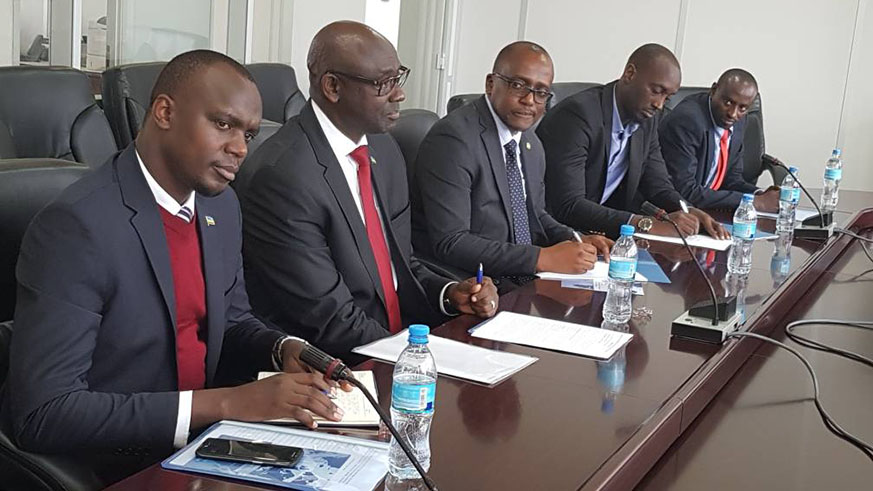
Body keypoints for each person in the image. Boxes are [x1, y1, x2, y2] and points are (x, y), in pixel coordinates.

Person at [2, 50, 346, 485]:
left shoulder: (219, 206)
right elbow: (45, 413)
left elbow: (232, 320)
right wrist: (226, 404)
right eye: (223, 124)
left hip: (207, 445)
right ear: (164, 112)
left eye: (249, 133)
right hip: (121, 462)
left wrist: (282, 349)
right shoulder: (76, 226)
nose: (240, 148)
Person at [238, 21, 498, 359]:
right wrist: (420, 358)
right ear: (332, 86)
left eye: (398, 76)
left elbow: (398, 264)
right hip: (334, 367)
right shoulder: (283, 178)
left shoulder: (384, 149)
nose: (399, 93)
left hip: (395, 345)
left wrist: (450, 295)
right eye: (383, 83)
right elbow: (330, 319)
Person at [412, 41, 611, 288]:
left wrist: (576, 240)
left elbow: (534, 213)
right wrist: (542, 258)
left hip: (519, 273)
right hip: (474, 281)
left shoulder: (530, 142)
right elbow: (451, 242)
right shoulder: (453, 139)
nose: (529, 100)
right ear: (490, 84)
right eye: (518, 85)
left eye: (541, 92)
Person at [537, 44, 728, 240]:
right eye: (656, 91)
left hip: (600, 234)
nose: (659, 104)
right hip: (554, 235)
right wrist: (644, 224)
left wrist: (688, 209)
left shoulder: (647, 120)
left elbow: (658, 185)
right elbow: (569, 205)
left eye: (667, 97)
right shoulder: (578, 116)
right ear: (629, 74)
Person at [659, 68, 779, 211]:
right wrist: (753, 203)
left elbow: (731, 180)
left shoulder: (739, 121)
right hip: (679, 210)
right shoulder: (687, 121)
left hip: (711, 208)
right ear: (714, 90)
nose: (733, 114)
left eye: (742, 108)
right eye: (728, 102)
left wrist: (759, 195)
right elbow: (685, 191)